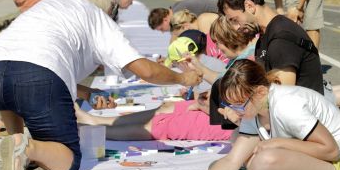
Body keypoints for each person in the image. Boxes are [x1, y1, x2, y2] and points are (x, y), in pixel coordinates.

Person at [0, 0, 202, 170]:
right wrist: (182, 77)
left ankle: (17, 139)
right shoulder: (98, 17)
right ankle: (26, 148)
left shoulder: (51, 3)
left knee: (12, 91)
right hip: (35, 78)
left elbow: (24, 62)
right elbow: (145, 70)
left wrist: (87, 93)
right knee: (68, 159)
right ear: (111, 3)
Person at [168, 59, 340, 170]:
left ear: (260, 92)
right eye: (231, 105)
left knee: (265, 158)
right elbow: (231, 160)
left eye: (238, 105)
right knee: (242, 148)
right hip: (318, 161)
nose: (234, 112)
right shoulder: (255, 107)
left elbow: (331, 150)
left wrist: (276, 143)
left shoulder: (287, 105)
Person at [74, 31, 231, 142]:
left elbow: (211, 103)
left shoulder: (210, 66)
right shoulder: (212, 63)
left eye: (176, 64)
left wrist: (198, 102)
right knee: (167, 107)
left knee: (160, 124)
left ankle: (94, 129)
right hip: (219, 110)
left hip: (222, 119)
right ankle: (95, 120)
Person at [148, 7, 227, 63]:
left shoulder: (203, 21)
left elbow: (211, 58)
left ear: (185, 27)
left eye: (183, 36)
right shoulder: (200, 30)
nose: (185, 40)